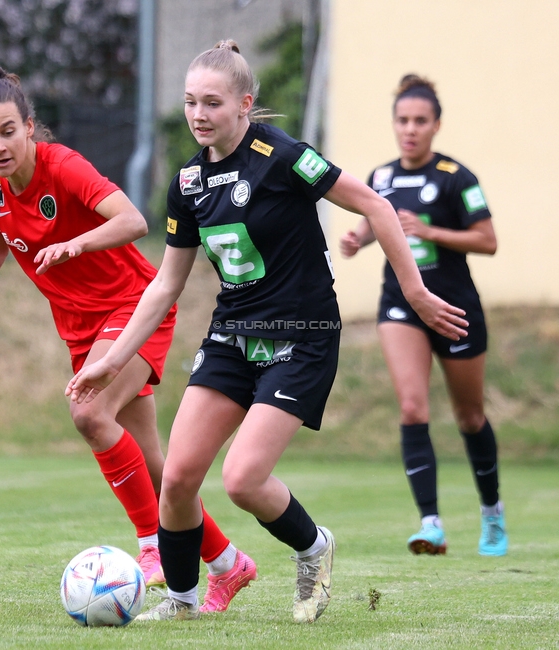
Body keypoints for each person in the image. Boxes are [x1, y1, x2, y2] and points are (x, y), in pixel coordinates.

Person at [66, 42, 468, 623]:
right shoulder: (188, 183)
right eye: (189, 103)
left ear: (244, 104)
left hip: (301, 334)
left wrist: (417, 294)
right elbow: (164, 287)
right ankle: (182, 604)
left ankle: (313, 547)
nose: (199, 114)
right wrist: (112, 360)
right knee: (177, 478)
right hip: (232, 334)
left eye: (212, 102)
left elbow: (376, 207)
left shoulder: (283, 157)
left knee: (242, 479)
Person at [0, 61, 256, 612]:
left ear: (30, 126)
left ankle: (150, 543)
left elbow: (132, 221)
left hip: (133, 307)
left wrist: (75, 245)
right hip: (79, 327)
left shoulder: (64, 166)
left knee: (88, 414)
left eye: (8, 131)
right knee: (156, 466)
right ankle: (226, 562)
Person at [339, 74, 506, 557]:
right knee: (412, 407)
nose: (409, 129)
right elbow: (377, 222)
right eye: (402, 120)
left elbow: (488, 240)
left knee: (470, 416)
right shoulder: (381, 178)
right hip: (400, 304)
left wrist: (432, 233)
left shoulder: (457, 177)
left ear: (436, 125)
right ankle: (430, 524)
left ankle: (492, 512)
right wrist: (359, 237)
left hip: (455, 307)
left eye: (420, 121)